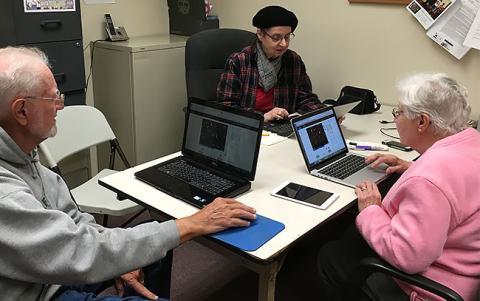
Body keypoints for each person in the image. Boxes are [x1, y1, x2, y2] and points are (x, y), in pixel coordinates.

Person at [0, 46, 257, 301]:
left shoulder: (24, 155)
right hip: (41, 291)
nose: (60, 106)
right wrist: (191, 223)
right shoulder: (6, 194)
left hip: (58, 268)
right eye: (53, 98)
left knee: (155, 246)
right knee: (161, 236)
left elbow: (76, 222)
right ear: (21, 111)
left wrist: (118, 260)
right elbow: (76, 251)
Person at [316, 73, 480, 301]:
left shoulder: (429, 179)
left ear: (422, 122)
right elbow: (452, 182)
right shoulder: (472, 139)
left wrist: (372, 209)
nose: (395, 118)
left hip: (429, 289)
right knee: (353, 236)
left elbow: (408, 258)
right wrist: (412, 166)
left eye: (399, 112)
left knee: (331, 254)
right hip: (465, 269)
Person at [216, 5, 325, 122]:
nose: (283, 44)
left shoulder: (293, 60)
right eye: (276, 37)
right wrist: (263, 117)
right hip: (250, 129)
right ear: (260, 34)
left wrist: (324, 114)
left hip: (283, 129)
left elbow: (306, 99)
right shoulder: (239, 61)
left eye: (287, 37)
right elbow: (226, 107)